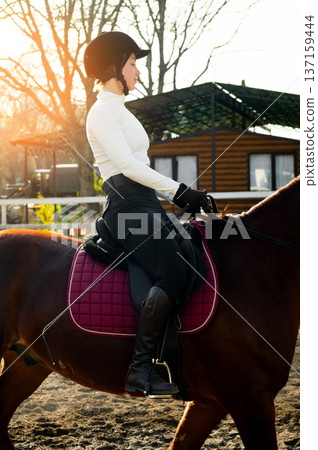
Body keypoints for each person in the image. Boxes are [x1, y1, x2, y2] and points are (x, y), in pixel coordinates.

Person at [84, 31, 210, 397]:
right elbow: (125, 165)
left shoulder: (119, 110)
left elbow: (139, 164)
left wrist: (175, 197)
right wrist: (181, 190)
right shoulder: (103, 111)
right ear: (114, 67)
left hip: (143, 203)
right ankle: (140, 370)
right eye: (132, 63)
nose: (137, 71)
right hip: (126, 205)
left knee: (189, 251)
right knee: (173, 268)